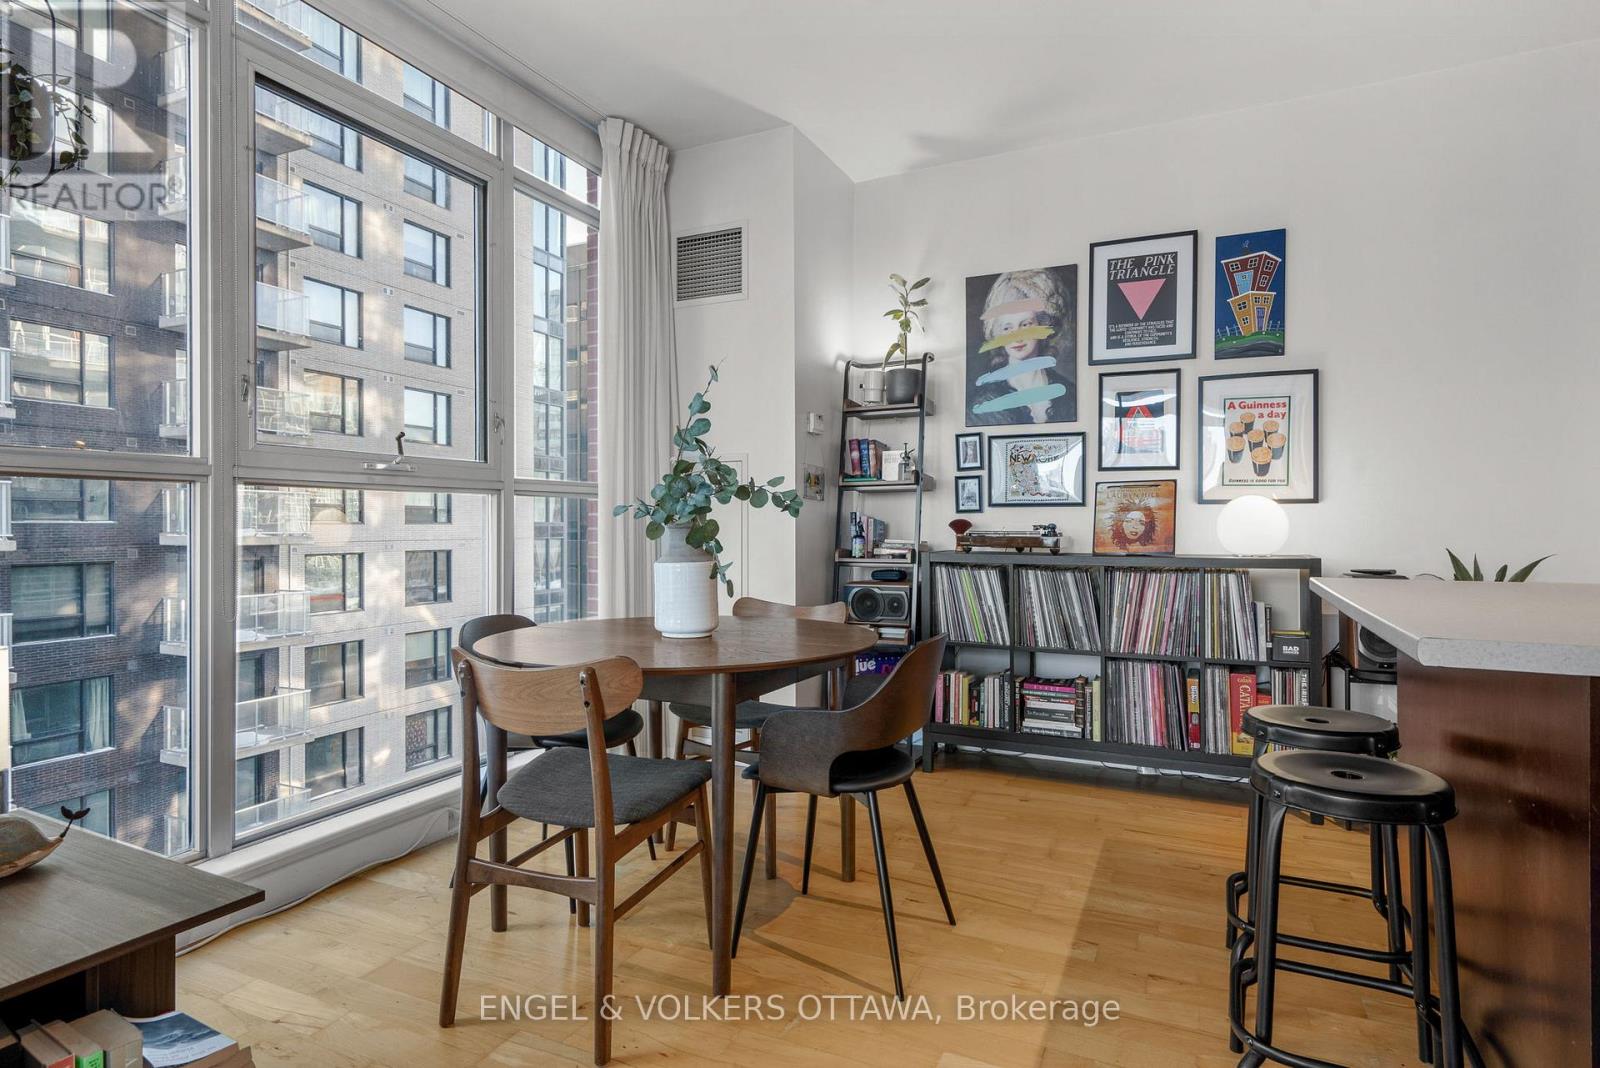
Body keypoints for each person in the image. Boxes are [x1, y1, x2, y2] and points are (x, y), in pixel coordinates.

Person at [967, 268, 1075, 425]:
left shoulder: (1068, 393)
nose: (1016, 337)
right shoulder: (984, 401)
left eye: (1025, 325)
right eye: (1007, 328)